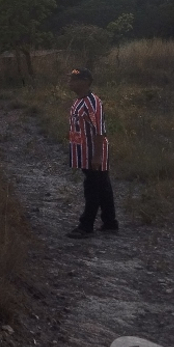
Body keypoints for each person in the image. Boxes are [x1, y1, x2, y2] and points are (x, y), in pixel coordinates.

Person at [65, 67, 119, 238]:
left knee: (92, 189)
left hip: (94, 154)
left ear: (86, 82)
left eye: (75, 79)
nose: (70, 82)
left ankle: (86, 226)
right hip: (84, 153)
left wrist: (97, 156)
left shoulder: (92, 102)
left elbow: (100, 131)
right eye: (70, 78)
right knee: (103, 188)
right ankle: (110, 222)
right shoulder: (78, 101)